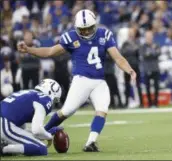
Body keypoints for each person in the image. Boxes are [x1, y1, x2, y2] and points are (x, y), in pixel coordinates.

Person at [17, 9, 136, 152]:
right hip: (82, 80)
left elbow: (118, 58)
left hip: (99, 81)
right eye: (82, 29)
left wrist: (129, 70)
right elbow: (50, 51)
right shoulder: (71, 37)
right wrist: (29, 50)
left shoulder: (104, 34)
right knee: (67, 111)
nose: (86, 32)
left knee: (102, 110)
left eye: (88, 29)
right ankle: (38, 134)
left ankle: (91, 142)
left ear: (95, 25)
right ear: (77, 28)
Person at [0, 79, 62, 156]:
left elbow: (24, 132)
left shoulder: (29, 92)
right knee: (41, 149)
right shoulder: (45, 99)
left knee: (24, 132)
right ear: (51, 92)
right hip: (5, 124)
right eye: (55, 99)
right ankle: (4, 149)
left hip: (5, 122)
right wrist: (49, 136)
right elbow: (37, 130)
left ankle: (6, 147)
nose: (53, 102)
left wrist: (46, 132)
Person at [139, 30, 160, 108]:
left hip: (155, 68)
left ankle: (156, 103)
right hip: (146, 68)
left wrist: (150, 53)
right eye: (147, 37)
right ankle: (149, 103)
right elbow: (144, 55)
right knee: (147, 87)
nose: (149, 38)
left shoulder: (156, 45)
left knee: (156, 87)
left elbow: (158, 53)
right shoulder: (142, 46)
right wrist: (152, 51)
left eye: (150, 37)